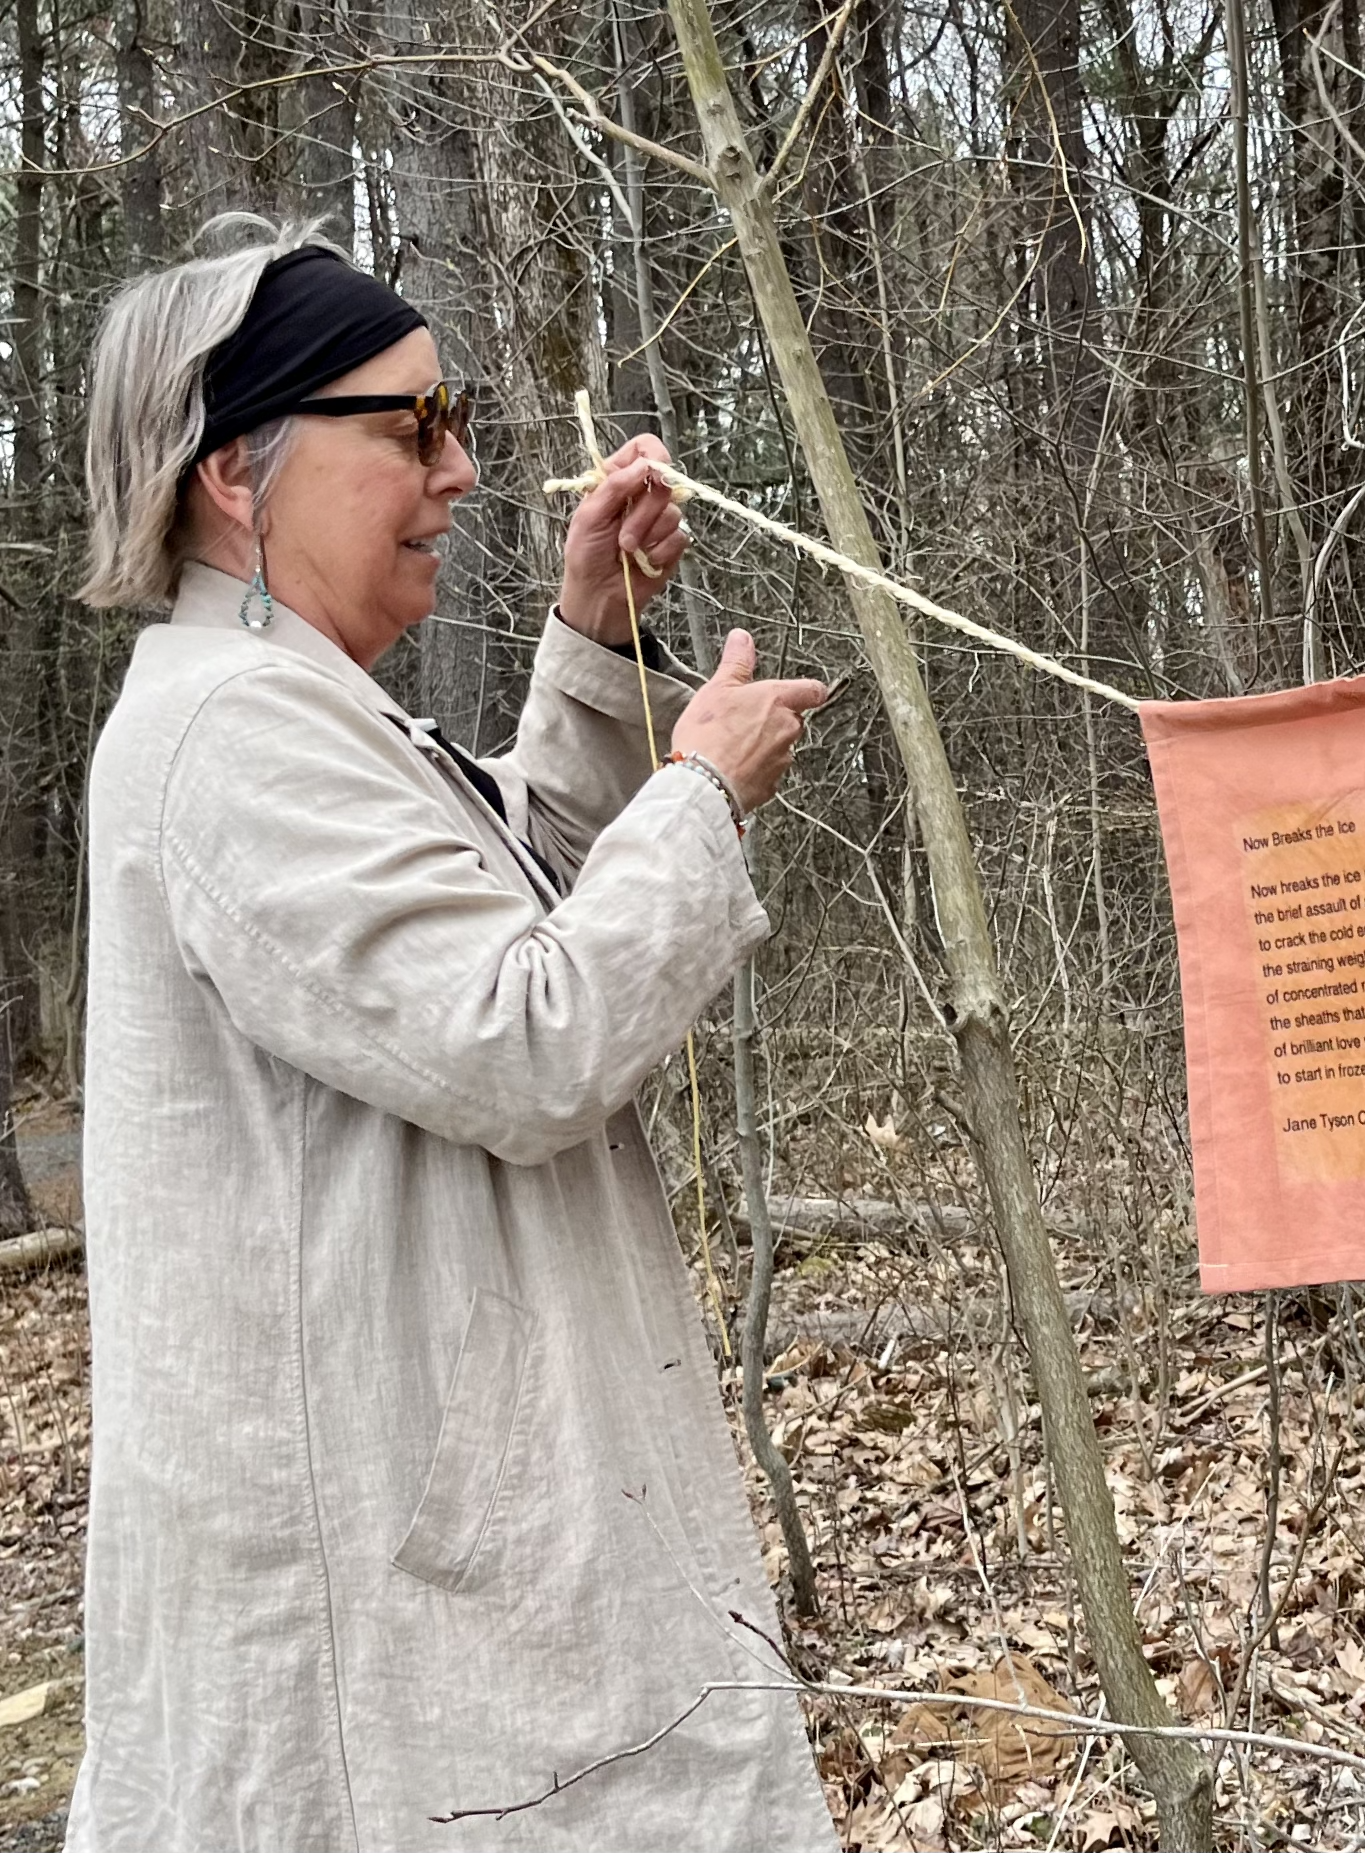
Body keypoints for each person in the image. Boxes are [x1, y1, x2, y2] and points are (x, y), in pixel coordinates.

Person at [70, 218, 838, 1850]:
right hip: (369, 1561)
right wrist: (701, 794)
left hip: (441, 1498)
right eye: (413, 425)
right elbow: (525, 1036)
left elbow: (512, 907)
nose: (463, 469)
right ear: (238, 471)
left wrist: (596, 636)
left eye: (460, 415)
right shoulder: (228, 730)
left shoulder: (304, 707)